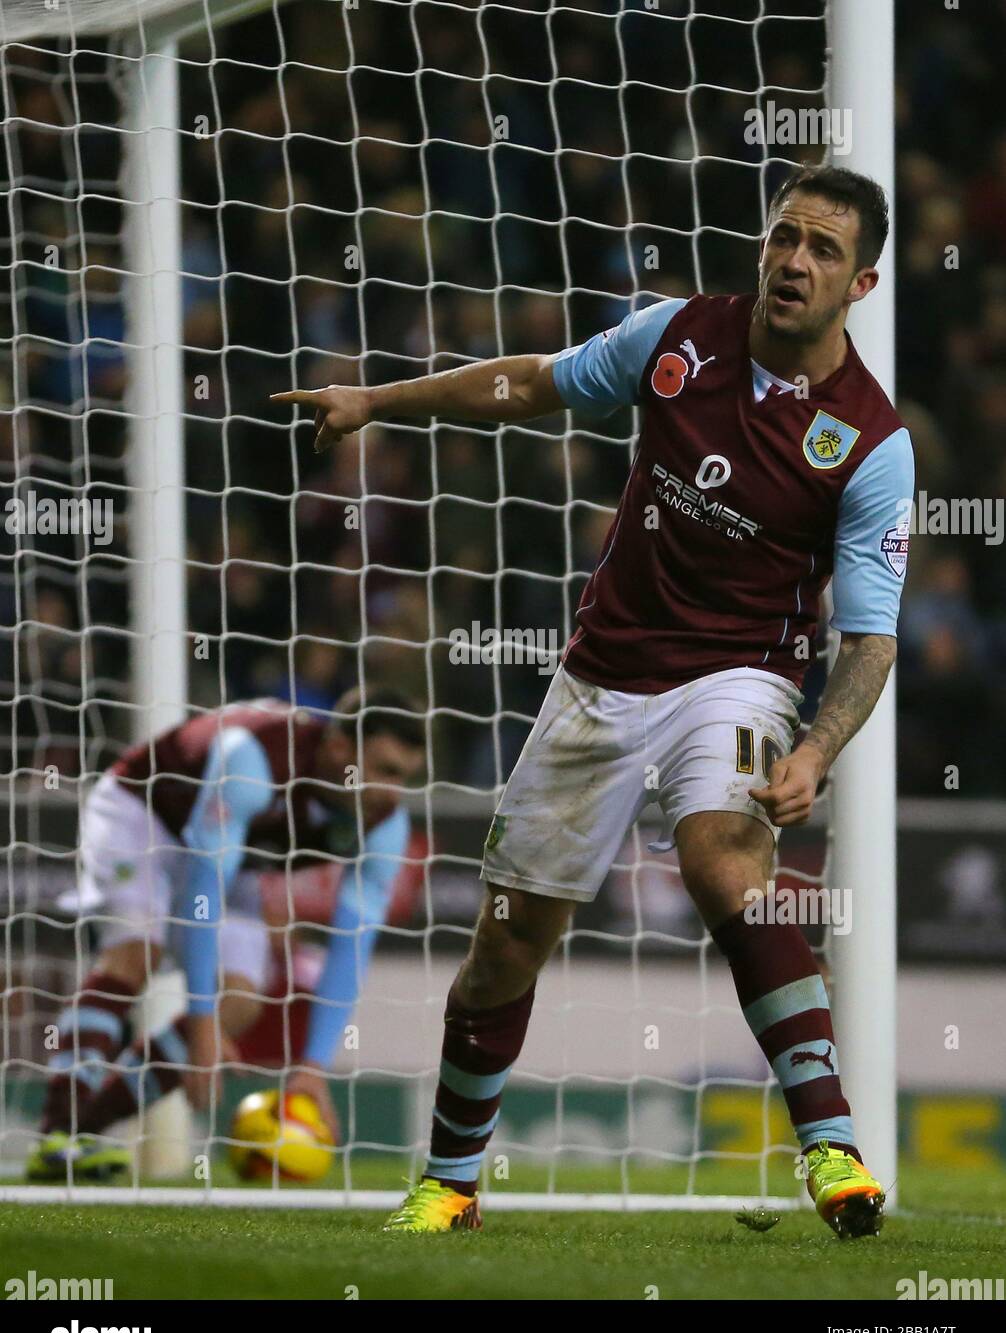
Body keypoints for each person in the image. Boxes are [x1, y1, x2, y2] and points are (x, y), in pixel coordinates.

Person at [273, 165, 913, 1239]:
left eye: (822, 250)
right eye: (783, 238)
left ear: (862, 283)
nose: (793, 261)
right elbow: (530, 383)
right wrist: (375, 401)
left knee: (721, 856)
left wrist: (815, 748)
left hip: (742, 672)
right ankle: (451, 1181)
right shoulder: (680, 339)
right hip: (602, 672)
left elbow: (870, 636)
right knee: (507, 940)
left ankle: (831, 1146)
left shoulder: (870, 442)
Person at [28, 687, 423, 1180]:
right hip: (143, 814)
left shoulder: (384, 825)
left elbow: (352, 944)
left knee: (238, 1004)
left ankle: (79, 1133)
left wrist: (312, 1066)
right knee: (138, 954)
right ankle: (58, 1125)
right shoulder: (254, 756)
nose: (392, 791)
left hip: (233, 865)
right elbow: (202, 883)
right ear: (341, 748)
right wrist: (198, 1018)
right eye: (384, 770)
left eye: (404, 777)